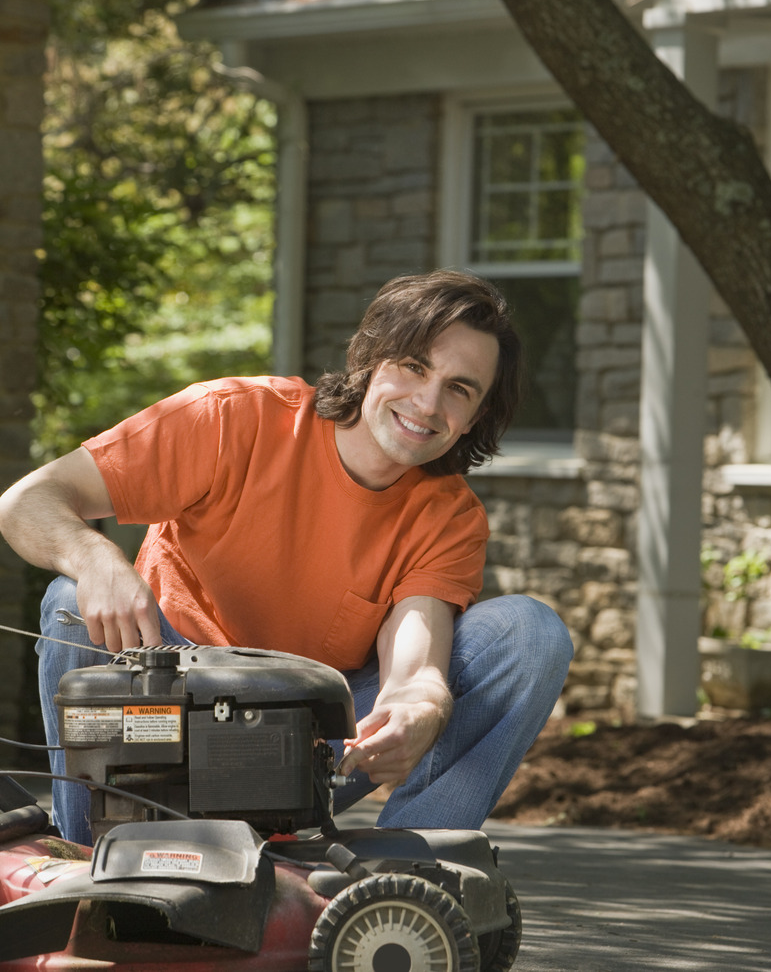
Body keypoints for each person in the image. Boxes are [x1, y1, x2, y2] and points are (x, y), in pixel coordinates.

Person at [0, 270, 572, 844]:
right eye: (415, 366)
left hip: (306, 753)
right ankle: (84, 866)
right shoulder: (232, 418)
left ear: (474, 417)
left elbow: (415, 664)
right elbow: (25, 501)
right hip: (163, 728)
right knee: (72, 599)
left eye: (459, 388)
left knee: (530, 633)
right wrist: (97, 558)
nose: (428, 402)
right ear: (371, 359)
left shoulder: (449, 516)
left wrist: (418, 709)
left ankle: (398, 877)